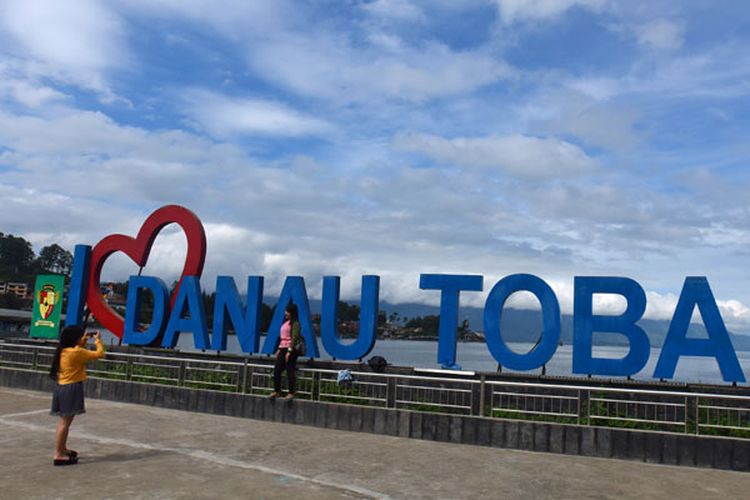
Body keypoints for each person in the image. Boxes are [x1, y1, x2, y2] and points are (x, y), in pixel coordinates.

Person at [49, 325, 105, 466]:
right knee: (65, 423)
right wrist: (97, 340)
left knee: (63, 422)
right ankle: (59, 454)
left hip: (61, 387)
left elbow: (80, 350)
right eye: (82, 336)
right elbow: (99, 354)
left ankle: (62, 448)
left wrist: (84, 340)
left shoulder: (64, 350)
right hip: (71, 388)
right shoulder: (76, 352)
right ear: (76, 339)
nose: (84, 338)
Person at [270, 303, 301, 400]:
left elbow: (294, 338)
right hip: (283, 348)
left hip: (290, 350)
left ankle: (291, 392)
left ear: (292, 312)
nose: (285, 313)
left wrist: (289, 350)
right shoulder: (285, 323)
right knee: (277, 370)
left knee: (289, 370)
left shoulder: (295, 324)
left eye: (287, 311)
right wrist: (279, 348)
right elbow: (282, 338)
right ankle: (277, 390)